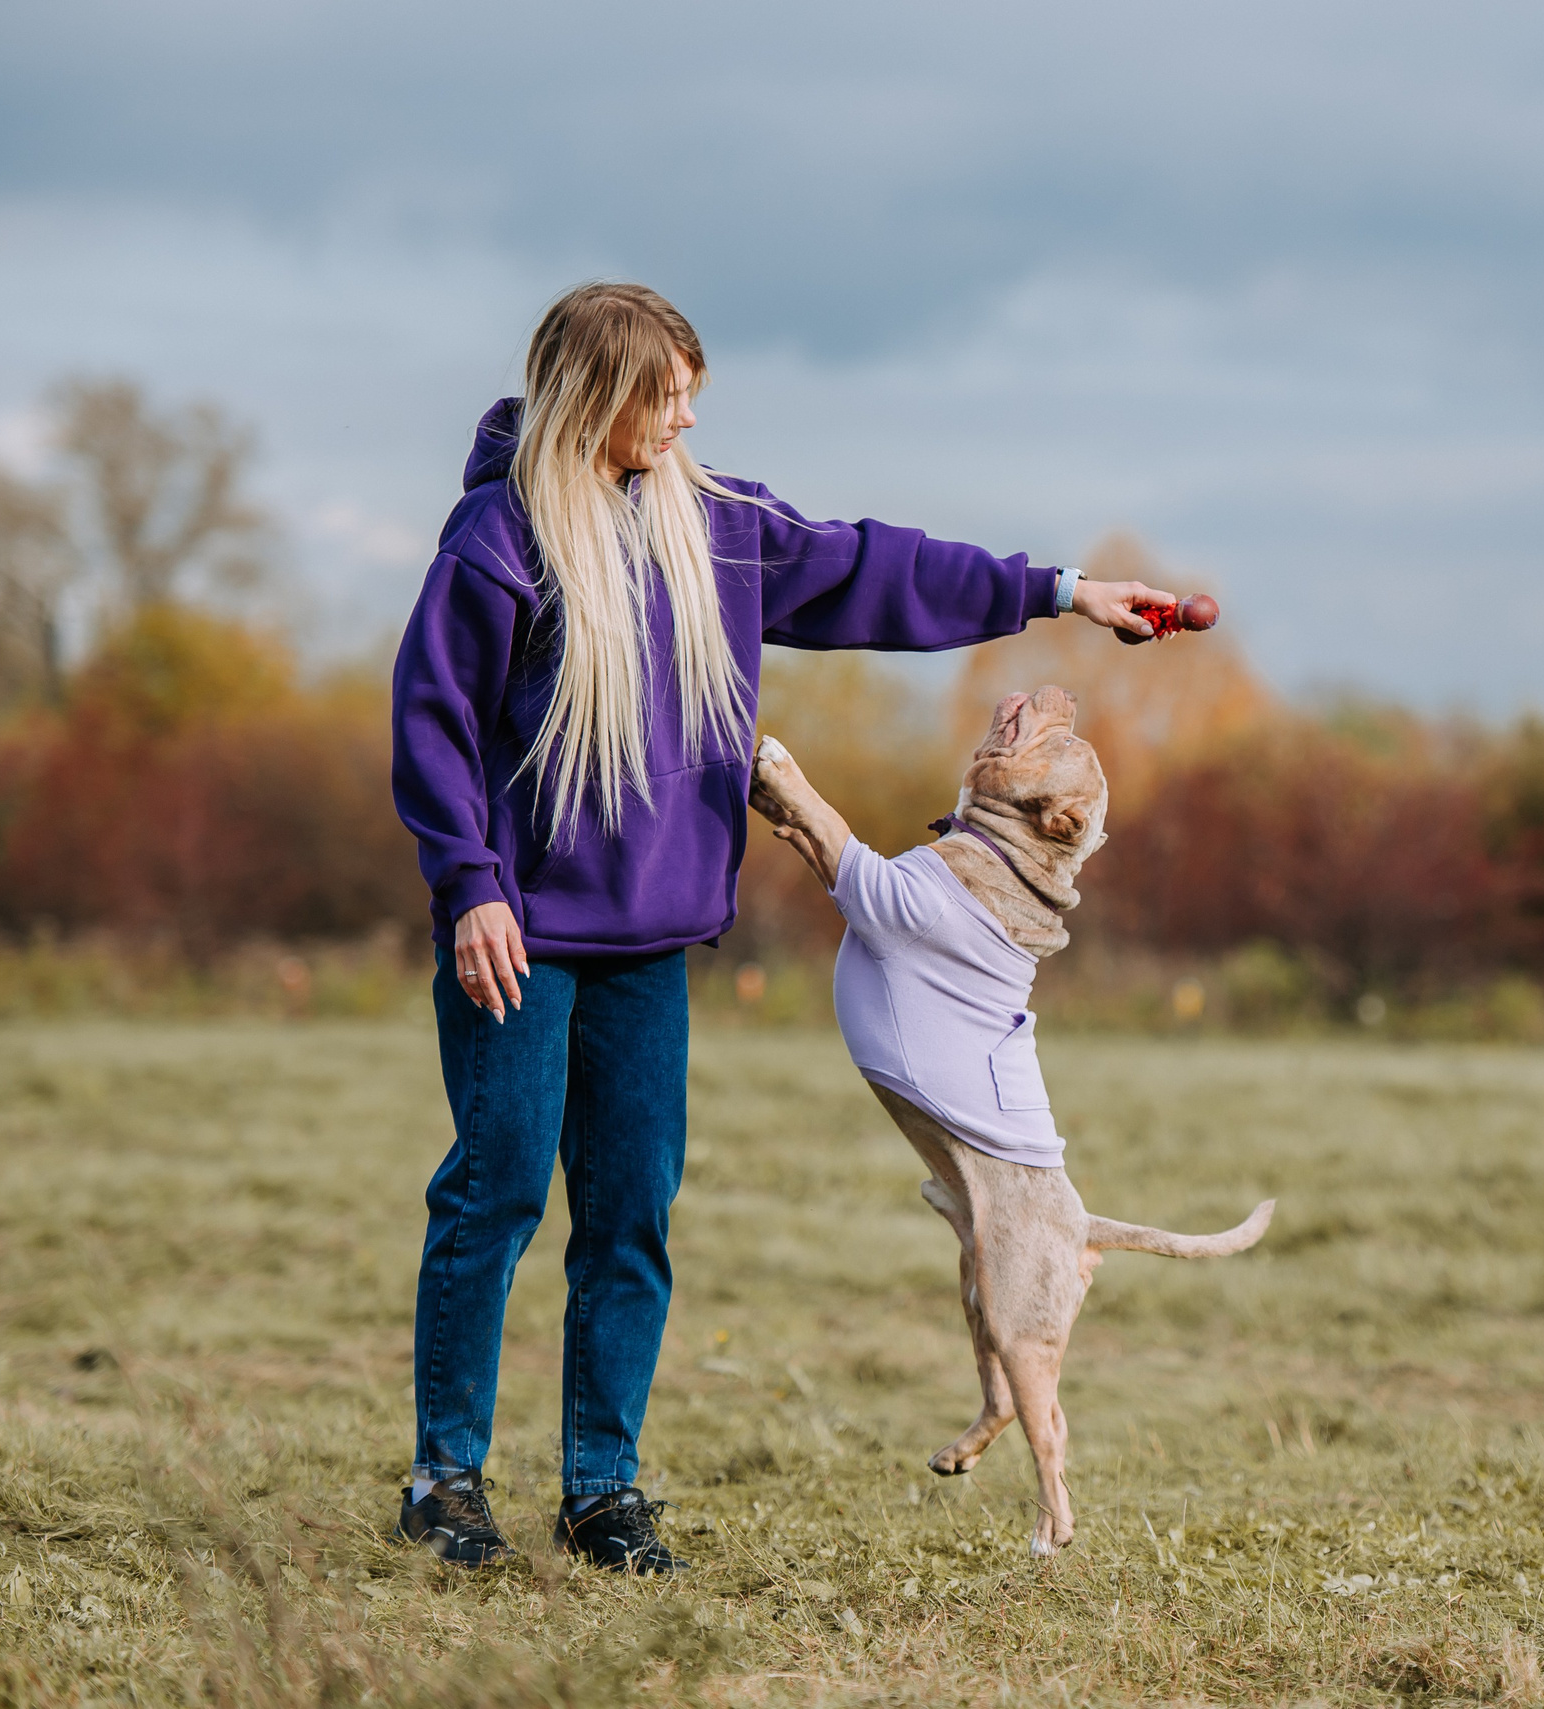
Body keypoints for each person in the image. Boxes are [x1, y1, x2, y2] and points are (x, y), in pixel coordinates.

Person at [388, 281, 1174, 1572]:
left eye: (695, 387)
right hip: (517, 933)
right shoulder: (499, 541)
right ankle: (446, 1476)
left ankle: (602, 1489)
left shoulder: (716, 527)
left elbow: (879, 568)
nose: (690, 413)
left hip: (651, 947)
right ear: (596, 398)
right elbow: (436, 721)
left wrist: (1063, 588)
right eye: (666, 393)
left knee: (633, 1211)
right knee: (500, 1186)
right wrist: (469, 880)